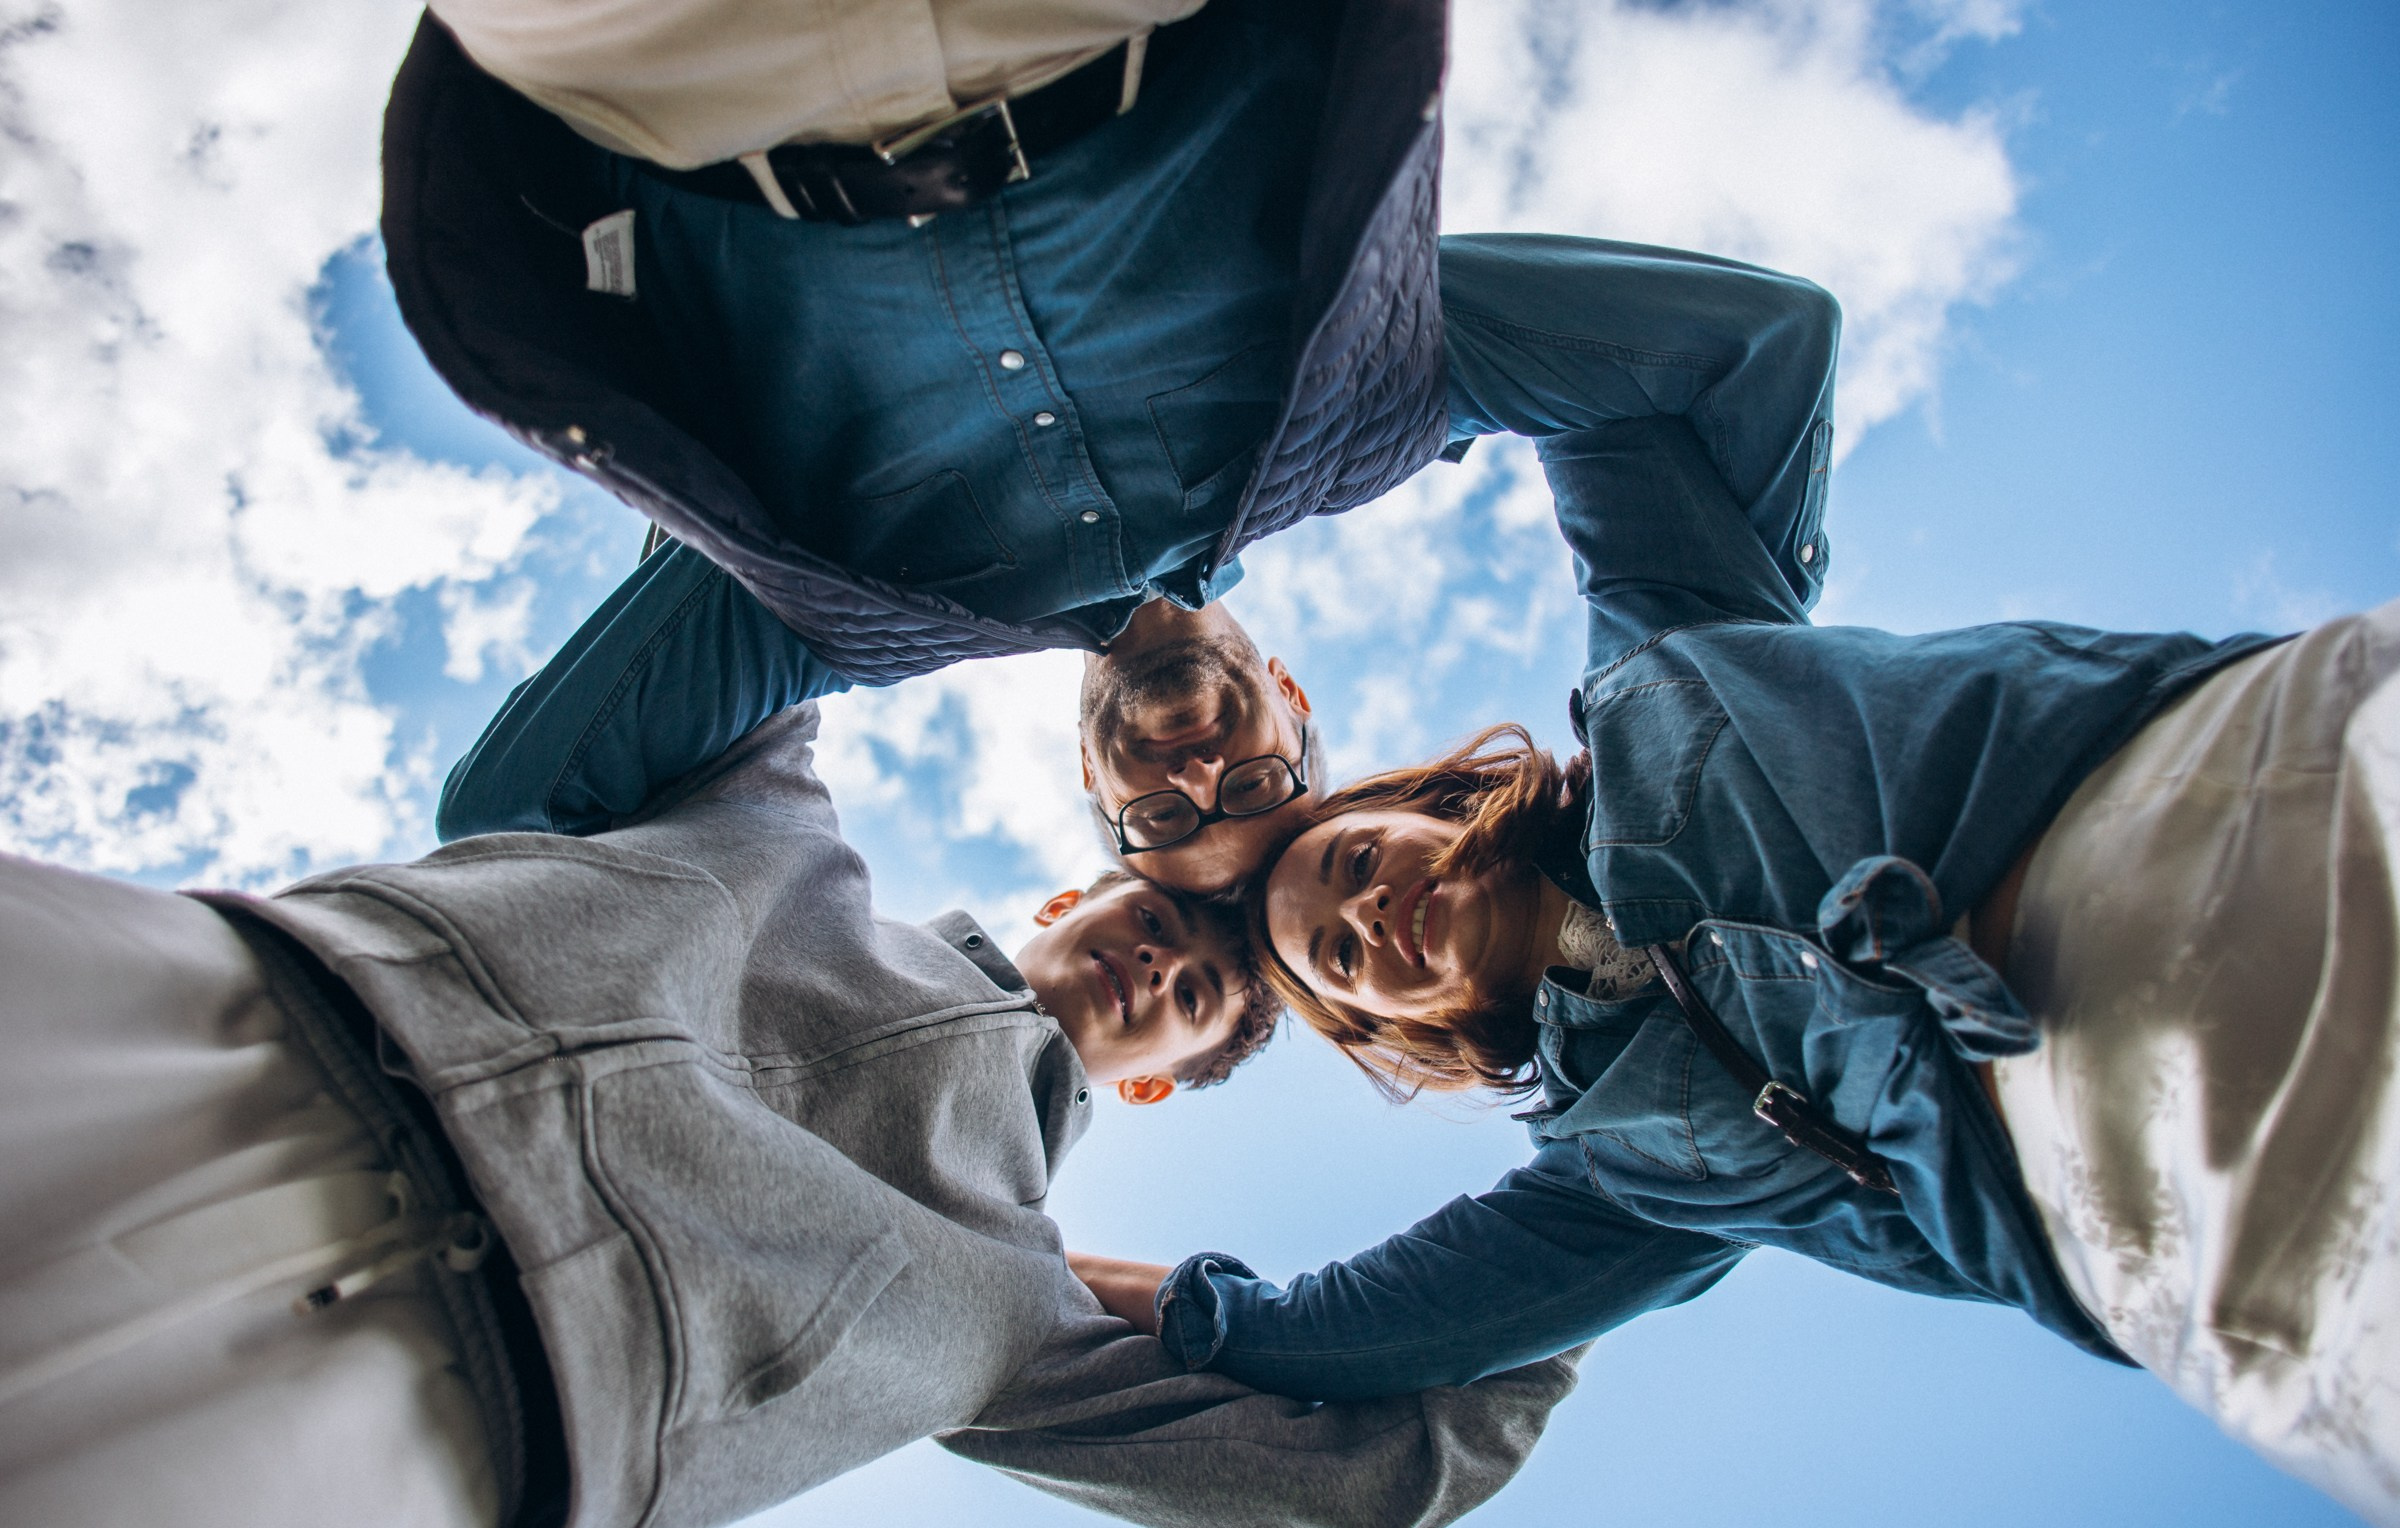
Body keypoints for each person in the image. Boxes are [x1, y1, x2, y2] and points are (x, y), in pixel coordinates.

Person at [1070, 413, 2400, 1528]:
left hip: (2270, 798)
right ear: (1394, 1029)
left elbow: (1643, 386)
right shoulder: (1615, 1182)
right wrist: (1011, 1262)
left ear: (1426, 805)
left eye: (1359, 861)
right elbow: (1326, 1339)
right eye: (1345, 961)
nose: (1376, 916)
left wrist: (1355, 391)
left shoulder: (1657, 683)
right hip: (2228, 1219)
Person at [0, 702, 1583, 1528]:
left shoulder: (1022, 1324)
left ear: (1163, 1083)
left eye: (1201, 997)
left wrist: (1626, 1129)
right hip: (224, 1021)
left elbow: (1380, 1477)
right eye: (1158, 922)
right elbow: (770, 553)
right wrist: (1139, 637)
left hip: (424, 1437)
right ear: (1069, 899)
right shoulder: (776, 818)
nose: (1160, 966)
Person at [390, 0, 1844, 890]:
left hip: (680, 57)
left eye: (1158, 817)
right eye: (1265, 785)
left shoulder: (854, 613)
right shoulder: (1369, 402)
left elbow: (513, 812)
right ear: (1284, 694)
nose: (1197, 774)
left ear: (1098, 788)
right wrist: (1695, 751)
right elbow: (1752, 349)